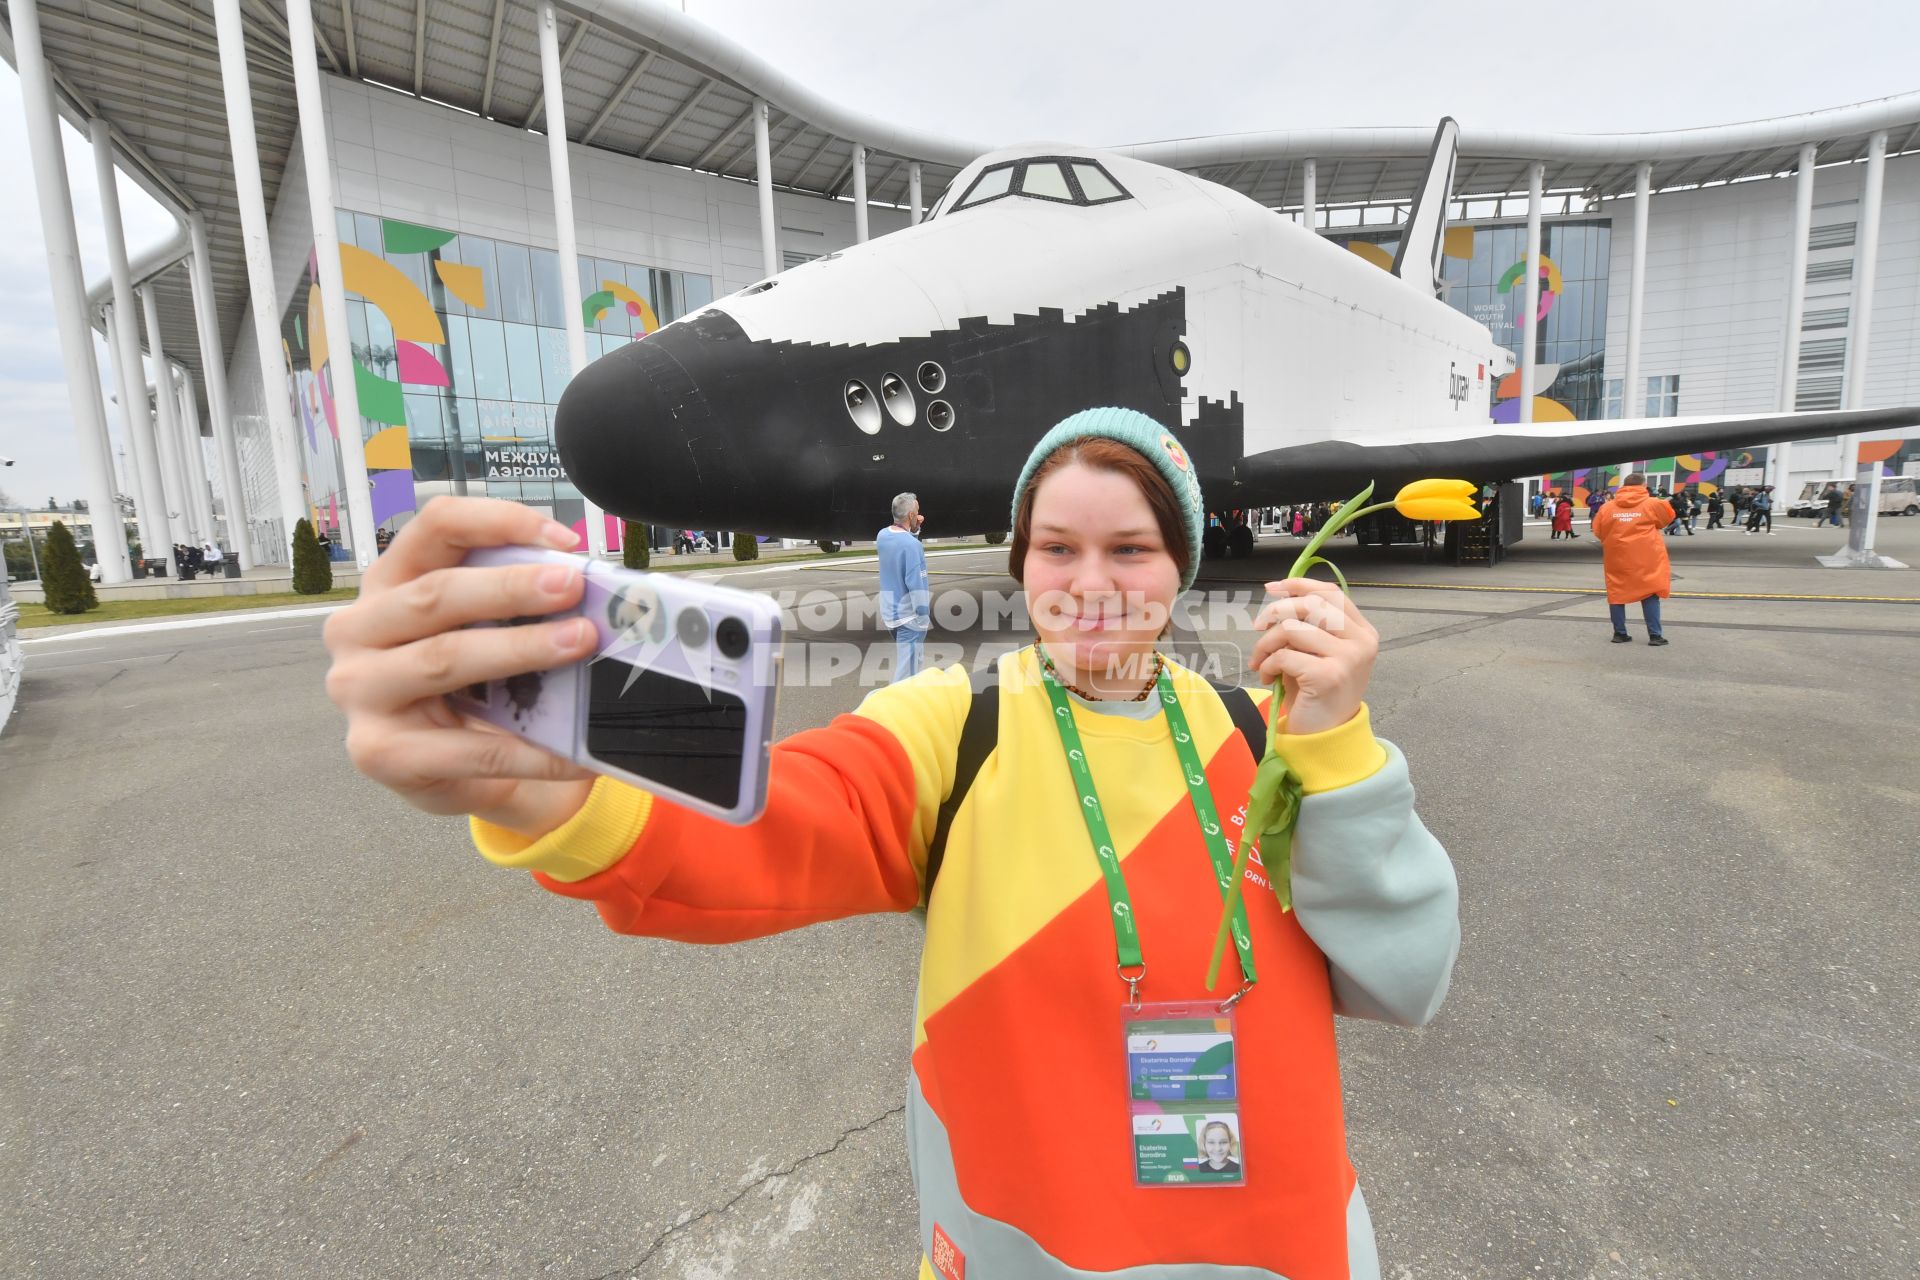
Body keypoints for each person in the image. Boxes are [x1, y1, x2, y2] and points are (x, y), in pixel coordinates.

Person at [323, 406, 1460, 1279]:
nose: (1093, 585)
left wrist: (1339, 743)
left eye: (1132, 550)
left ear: (1181, 565)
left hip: (1287, 1244)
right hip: (1026, 1247)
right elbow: (765, 830)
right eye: (1056, 547)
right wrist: (550, 793)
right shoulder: (952, 724)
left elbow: (1408, 977)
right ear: (1020, 563)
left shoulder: (1264, 728)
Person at [1592, 472, 1674, 646]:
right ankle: (1655, 635)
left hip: (1617, 556)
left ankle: (1619, 633)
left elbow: (1598, 530)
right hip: (1647, 556)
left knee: (1616, 593)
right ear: (1644, 486)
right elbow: (1666, 519)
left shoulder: (1607, 507)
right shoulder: (1653, 503)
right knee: (1650, 592)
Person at [877, 491, 929, 681]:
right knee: (907, 674)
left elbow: (903, 545)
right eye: (917, 511)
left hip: (890, 614)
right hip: (909, 618)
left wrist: (914, 531)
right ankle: (894, 708)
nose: (919, 514)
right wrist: (923, 620)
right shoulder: (913, 546)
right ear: (910, 516)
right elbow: (917, 586)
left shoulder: (882, 536)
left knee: (914, 663)